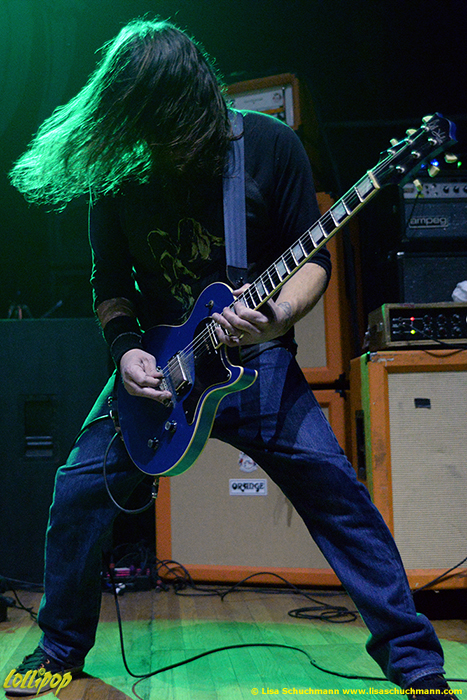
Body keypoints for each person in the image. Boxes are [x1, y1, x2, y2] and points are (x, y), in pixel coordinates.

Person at [6, 17, 456, 698]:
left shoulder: (269, 148)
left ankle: (417, 665)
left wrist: (274, 315)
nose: (158, 145)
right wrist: (125, 350)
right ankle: (59, 648)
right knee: (77, 491)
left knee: (339, 501)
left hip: (257, 364)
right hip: (160, 370)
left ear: (193, 100)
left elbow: (315, 259)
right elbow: (110, 286)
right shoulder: (119, 166)